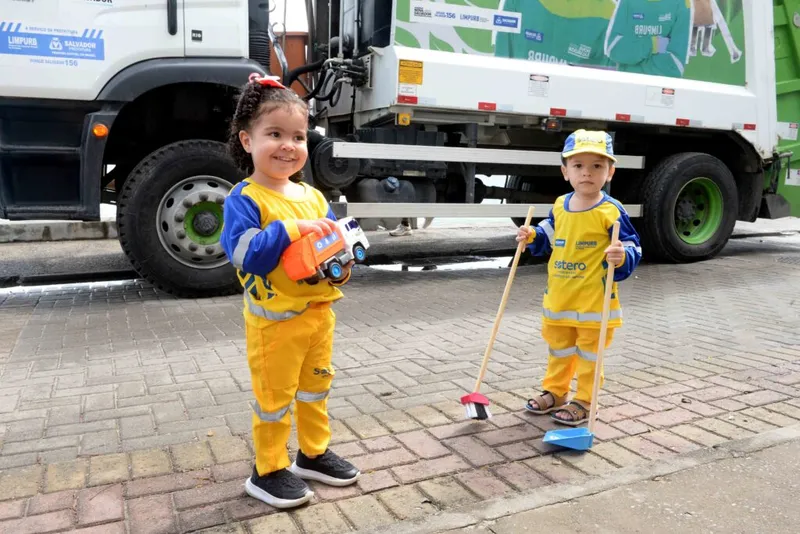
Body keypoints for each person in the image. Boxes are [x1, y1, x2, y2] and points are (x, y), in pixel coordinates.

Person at [220, 73, 359, 509]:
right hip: (275, 326)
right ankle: (268, 469)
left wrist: (342, 267)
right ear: (247, 141)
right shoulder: (244, 198)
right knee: (274, 400)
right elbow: (246, 254)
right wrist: (289, 228)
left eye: (298, 136)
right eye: (275, 134)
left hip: (319, 316)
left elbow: (334, 248)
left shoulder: (313, 197)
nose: (288, 146)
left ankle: (312, 454)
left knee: (316, 390)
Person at [516, 130, 642, 426]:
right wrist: (532, 235)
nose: (587, 173)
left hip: (593, 303)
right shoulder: (560, 205)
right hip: (560, 300)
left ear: (610, 172)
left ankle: (585, 400)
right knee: (558, 350)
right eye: (578, 166)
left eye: (597, 166)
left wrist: (622, 256)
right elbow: (548, 235)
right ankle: (556, 392)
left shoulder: (611, 210)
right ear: (565, 172)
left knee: (589, 356)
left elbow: (633, 245)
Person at [604, 0, 693, 77]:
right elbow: (613, 49)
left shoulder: (682, 3)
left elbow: (676, 67)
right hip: (628, 84)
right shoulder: (627, 2)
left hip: (660, 87)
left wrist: (631, 61)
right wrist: (654, 44)